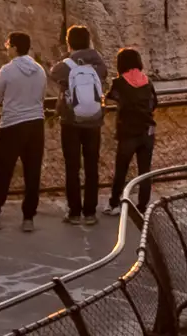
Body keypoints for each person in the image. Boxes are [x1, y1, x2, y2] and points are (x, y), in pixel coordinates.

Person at [0, 32, 47, 232]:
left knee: (2, 171)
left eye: (8, 44)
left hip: (12, 125)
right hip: (36, 124)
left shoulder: (7, 71)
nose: (6, 48)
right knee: (32, 171)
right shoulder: (39, 70)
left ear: (15, 48)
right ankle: (28, 218)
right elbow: (41, 97)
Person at [49, 24, 108, 226]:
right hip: (93, 120)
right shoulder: (98, 61)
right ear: (89, 40)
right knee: (92, 166)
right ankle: (90, 212)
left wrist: (70, 58)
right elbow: (104, 74)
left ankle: (74, 212)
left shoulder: (66, 64)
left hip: (70, 120)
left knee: (72, 166)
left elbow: (53, 73)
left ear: (69, 42)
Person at [104, 47, 158, 213]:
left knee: (121, 170)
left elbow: (109, 100)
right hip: (147, 131)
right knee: (144, 171)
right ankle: (143, 206)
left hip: (128, 132)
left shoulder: (119, 83)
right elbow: (154, 103)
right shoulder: (147, 81)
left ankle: (114, 203)